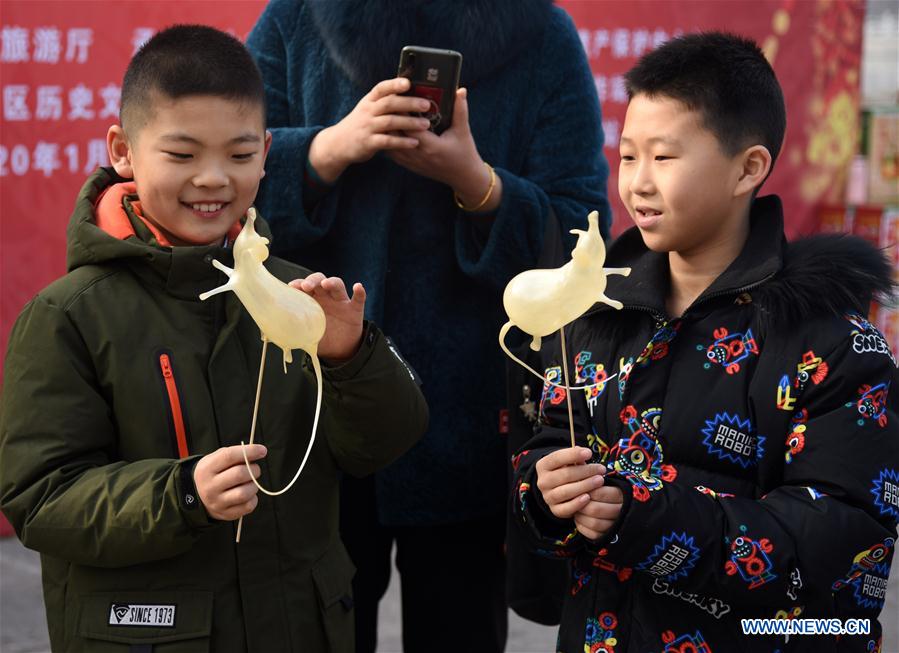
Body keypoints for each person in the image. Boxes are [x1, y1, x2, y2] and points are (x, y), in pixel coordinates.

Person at [0, 25, 428, 653]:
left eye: (239, 154)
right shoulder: (68, 316)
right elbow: (40, 498)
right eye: (182, 155)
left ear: (267, 153)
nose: (212, 179)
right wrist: (181, 494)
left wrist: (350, 357)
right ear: (123, 151)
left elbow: (384, 444)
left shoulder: (296, 293)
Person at [512, 32, 899, 652]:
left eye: (664, 158)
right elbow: (551, 437)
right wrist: (545, 490)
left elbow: (841, 542)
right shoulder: (595, 313)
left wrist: (641, 516)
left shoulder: (833, 345)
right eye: (628, 156)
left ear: (749, 168)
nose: (638, 183)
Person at [246, 1, 611, 650]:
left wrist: (476, 182)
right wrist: (330, 148)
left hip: (469, 417)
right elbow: (229, 187)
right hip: (313, 414)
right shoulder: (297, 17)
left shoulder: (540, 34)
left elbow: (582, 238)